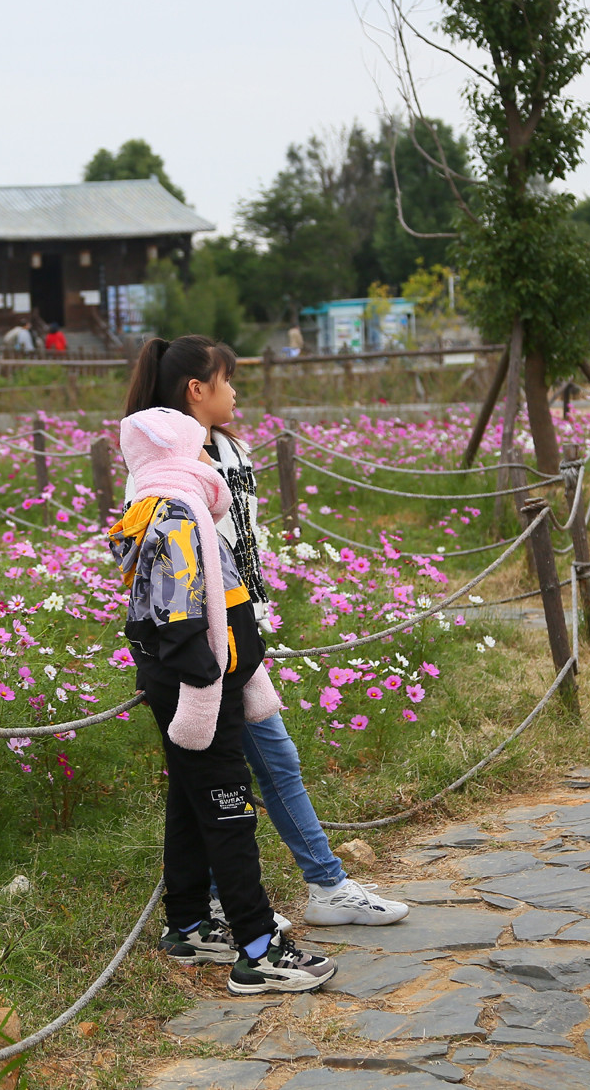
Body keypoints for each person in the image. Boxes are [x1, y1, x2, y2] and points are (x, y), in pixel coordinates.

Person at [123, 335, 410, 928]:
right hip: (208, 640)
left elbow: (238, 545)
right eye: (226, 380)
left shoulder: (221, 447)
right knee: (262, 763)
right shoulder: (170, 465)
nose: (236, 391)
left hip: (235, 630)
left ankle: (203, 906)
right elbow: (183, 563)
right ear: (196, 390)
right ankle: (317, 887)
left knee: (206, 775)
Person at [111, 406, 336, 994]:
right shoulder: (178, 516)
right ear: (173, 454)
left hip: (200, 679)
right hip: (201, 687)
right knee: (231, 812)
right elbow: (180, 619)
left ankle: (188, 923)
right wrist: (209, 685)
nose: (210, 458)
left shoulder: (163, 509)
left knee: (191, 802)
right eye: (199, 449)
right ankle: (257, 949)